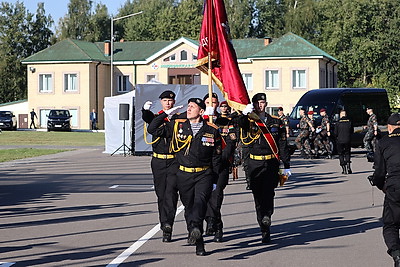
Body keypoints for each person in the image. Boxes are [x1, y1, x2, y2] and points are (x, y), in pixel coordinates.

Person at [148, 97, 222, 256]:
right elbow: (152, 129)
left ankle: (196, 227)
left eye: (192, 107)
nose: (188, 109)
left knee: (200, 202)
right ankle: (198, 239)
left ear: (201, 112)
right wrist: (166, 114)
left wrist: (215, 180)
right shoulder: (177, 126)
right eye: (188, 106)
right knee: (189, 208)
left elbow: (216, 157)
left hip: (204, 174)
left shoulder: (211, 129)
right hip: (184, 174)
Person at [239, 93, 291, 243]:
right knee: (258, 198)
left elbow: (282, 145)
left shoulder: (275, 122)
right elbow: (240, 124)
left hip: (270, 163)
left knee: (269, 193)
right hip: (254, 164)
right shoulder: (249, 121)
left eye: (262, 103)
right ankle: (263, 227)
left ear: (266, 104)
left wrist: (286, 165)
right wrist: (244, 114)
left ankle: (267, 218)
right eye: (257, 103)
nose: (260, 105)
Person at [142, 90, 181, 243]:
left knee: (171, 195)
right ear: (161, 102)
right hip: (158, 161)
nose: (168, 103)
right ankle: (163, 221)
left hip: (173, 161)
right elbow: (149, 121)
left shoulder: (178, 118)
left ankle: (167, 226)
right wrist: (145, 110)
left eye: (170, 101)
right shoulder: (156, 117)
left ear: (174, 102)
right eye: (165, 100)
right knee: (161, 195)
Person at [203, 96, 236, 243]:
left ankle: (216, 226)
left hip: (220, 166)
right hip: (202, 166)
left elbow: (231, 142)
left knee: (216, 198)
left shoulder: (226, 122)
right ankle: (212, 222)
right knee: (202, 199)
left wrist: (221, 158)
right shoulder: (200, 121)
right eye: (209, 102)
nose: (212, 105)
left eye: (214, 103)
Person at [369, 113, 400, 267]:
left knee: (390, 224)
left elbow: (380, 171)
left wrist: (379, 184)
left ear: (389, 128)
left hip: (394, 187)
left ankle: (397, 255)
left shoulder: (383, 143)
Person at [334, 110, 353, 174]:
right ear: (346, 115)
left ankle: (344, 169)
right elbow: (351, 131)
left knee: (341, 154)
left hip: (340, 140)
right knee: (347, 153)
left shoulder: (337, 123)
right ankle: (348, 167)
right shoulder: (349, 122)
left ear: (340, 115)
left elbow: (335, 133)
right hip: (348, 140)